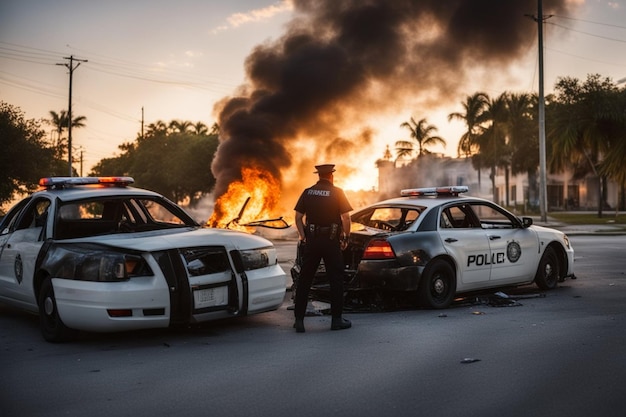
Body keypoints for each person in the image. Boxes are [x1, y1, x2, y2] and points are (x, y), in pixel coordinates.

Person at [293, 164, 353, 333]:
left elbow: (298, 217)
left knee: (305, 279)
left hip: (312, 241)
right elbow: (346, 217)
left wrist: (303, 236)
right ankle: (336, 320)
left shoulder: (308, 192)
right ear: (331, 176)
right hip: (331, 241)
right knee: (335, 279)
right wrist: (346, 237)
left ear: (318, 176)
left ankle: (299, 321)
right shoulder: (337, 192)